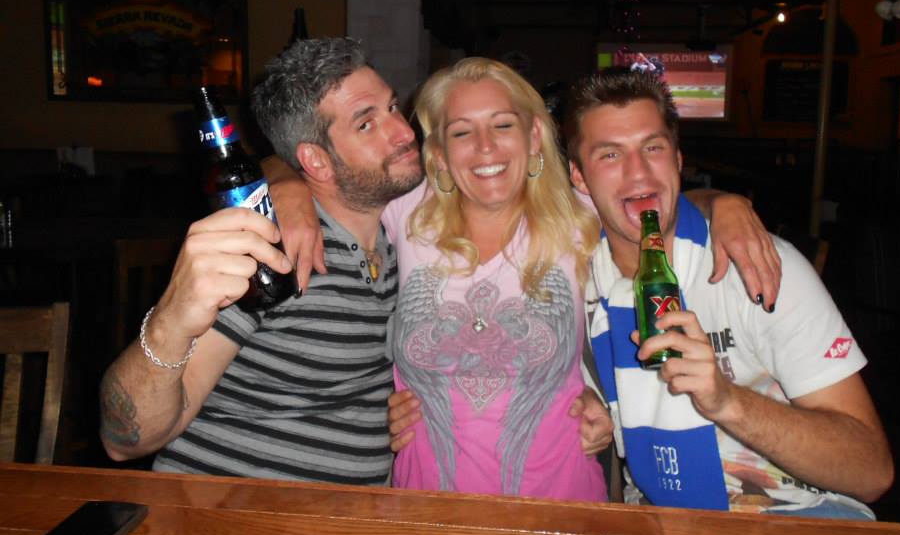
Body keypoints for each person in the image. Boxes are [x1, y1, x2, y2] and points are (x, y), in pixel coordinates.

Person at [272, 58, 781, 500]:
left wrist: (723, 203)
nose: (485, 147)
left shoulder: (579, 216)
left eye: (503, 125)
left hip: (557, 506)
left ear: (534, 134)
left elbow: (650, 197)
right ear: (439, 153)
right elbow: (300, 157)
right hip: (426, 509)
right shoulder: (406, 213)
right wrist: (285, 185)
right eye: (461, 132)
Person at [563, 67, 894, 517]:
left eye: (653, 147)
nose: (638, 172)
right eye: (609, 155)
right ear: (580, 177)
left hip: (797, 516)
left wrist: (726, 400)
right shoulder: (575, 281)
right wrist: (583, 411)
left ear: (678, 160)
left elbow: (871, 471)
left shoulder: (755, 266)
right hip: (661, 520)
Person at [98, 37, 424, 483]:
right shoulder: (270, 251)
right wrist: (169, 320)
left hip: (349, 516)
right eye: (367, 124)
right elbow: (126, 441)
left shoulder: (404, 235)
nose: (404, 132)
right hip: (228, 512)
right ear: (316, 161)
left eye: (393, 108)